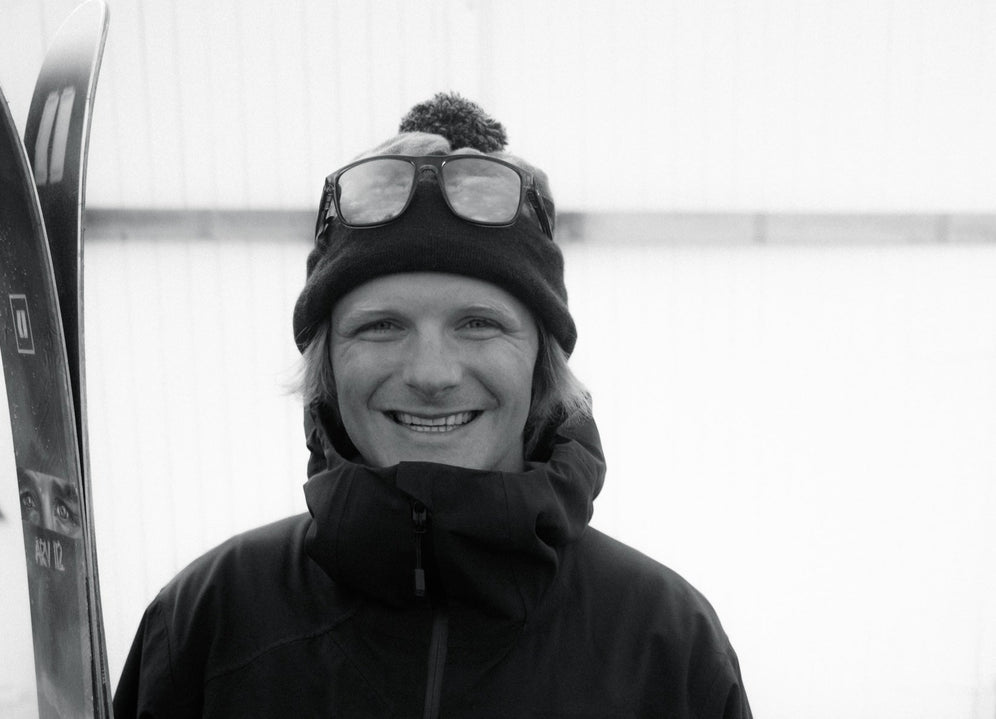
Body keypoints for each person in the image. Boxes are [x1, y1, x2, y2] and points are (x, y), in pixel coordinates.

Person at [113, 93, 753, 718]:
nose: (431, 374)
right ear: (327, 365)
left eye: (478, 323)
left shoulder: (665, 646)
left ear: (542, 362)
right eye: (381, 326)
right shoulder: (208, 624)